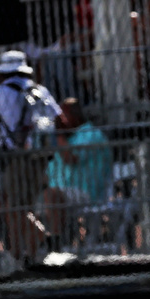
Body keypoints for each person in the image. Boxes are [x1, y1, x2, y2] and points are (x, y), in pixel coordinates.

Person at [0, 50, 62, 266]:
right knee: (24, 206)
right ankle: (29, 254)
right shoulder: (40, 90)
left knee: (14, 208)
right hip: (39, 155)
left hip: (16, 157)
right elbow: (60, 118)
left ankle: (27, 247)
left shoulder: (0, 92)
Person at [42, 98, 113, 248]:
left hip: (87, 193)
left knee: (52, 196)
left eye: (63, 115)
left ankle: (57, 244)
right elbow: (48, 173)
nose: (60, 120)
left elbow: (70, 158)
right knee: (22, 205)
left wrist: (59, 135)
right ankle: (27, 254)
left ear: (75, 115)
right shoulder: (70, 138)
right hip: (61, 193)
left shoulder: (91, 133)